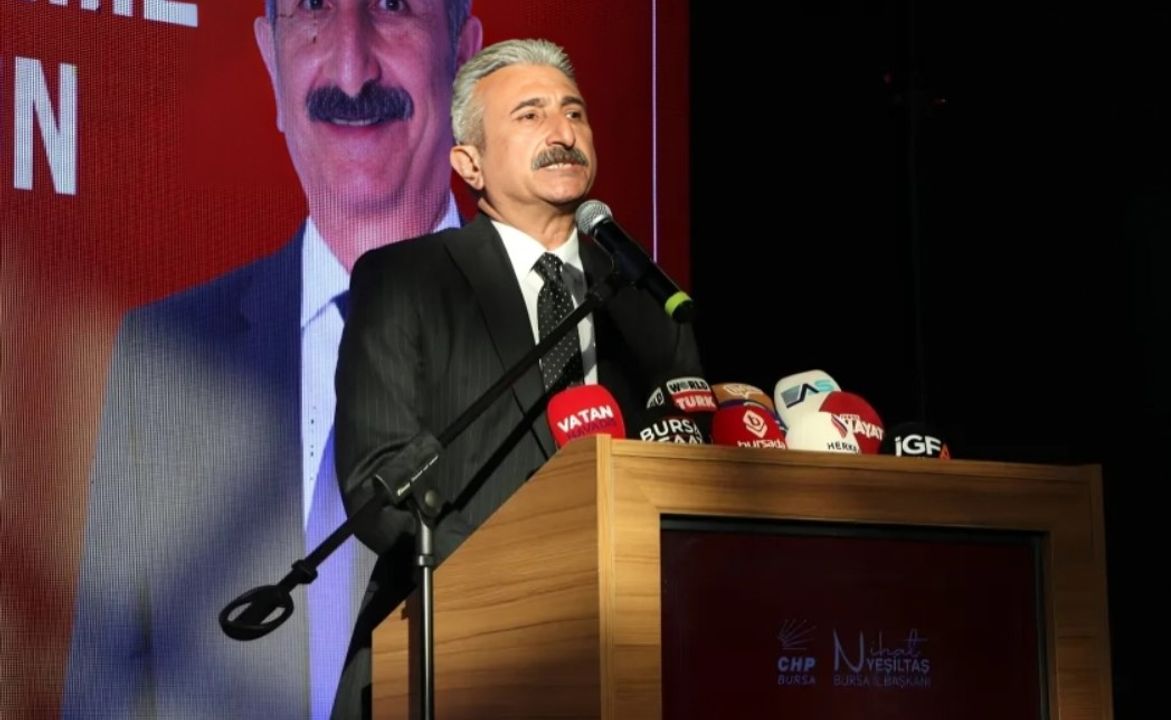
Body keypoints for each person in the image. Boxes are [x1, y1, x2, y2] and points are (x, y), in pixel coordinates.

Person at [61, 3, 481, 719]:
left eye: (391, 5)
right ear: (270, 57)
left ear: (462, 56)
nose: (351, 71)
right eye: (313, 7)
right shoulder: (162, 355)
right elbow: (108, 689)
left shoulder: (551, 334)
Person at [327, 38, 702, 717]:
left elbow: (682, 467)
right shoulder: (405, 280)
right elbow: (378, 480)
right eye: (530, 115)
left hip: (625, 649)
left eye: (575, 113)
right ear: (468, 162)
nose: (563, 133)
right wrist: (529, 577)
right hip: (452, 648)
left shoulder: (646, 298)